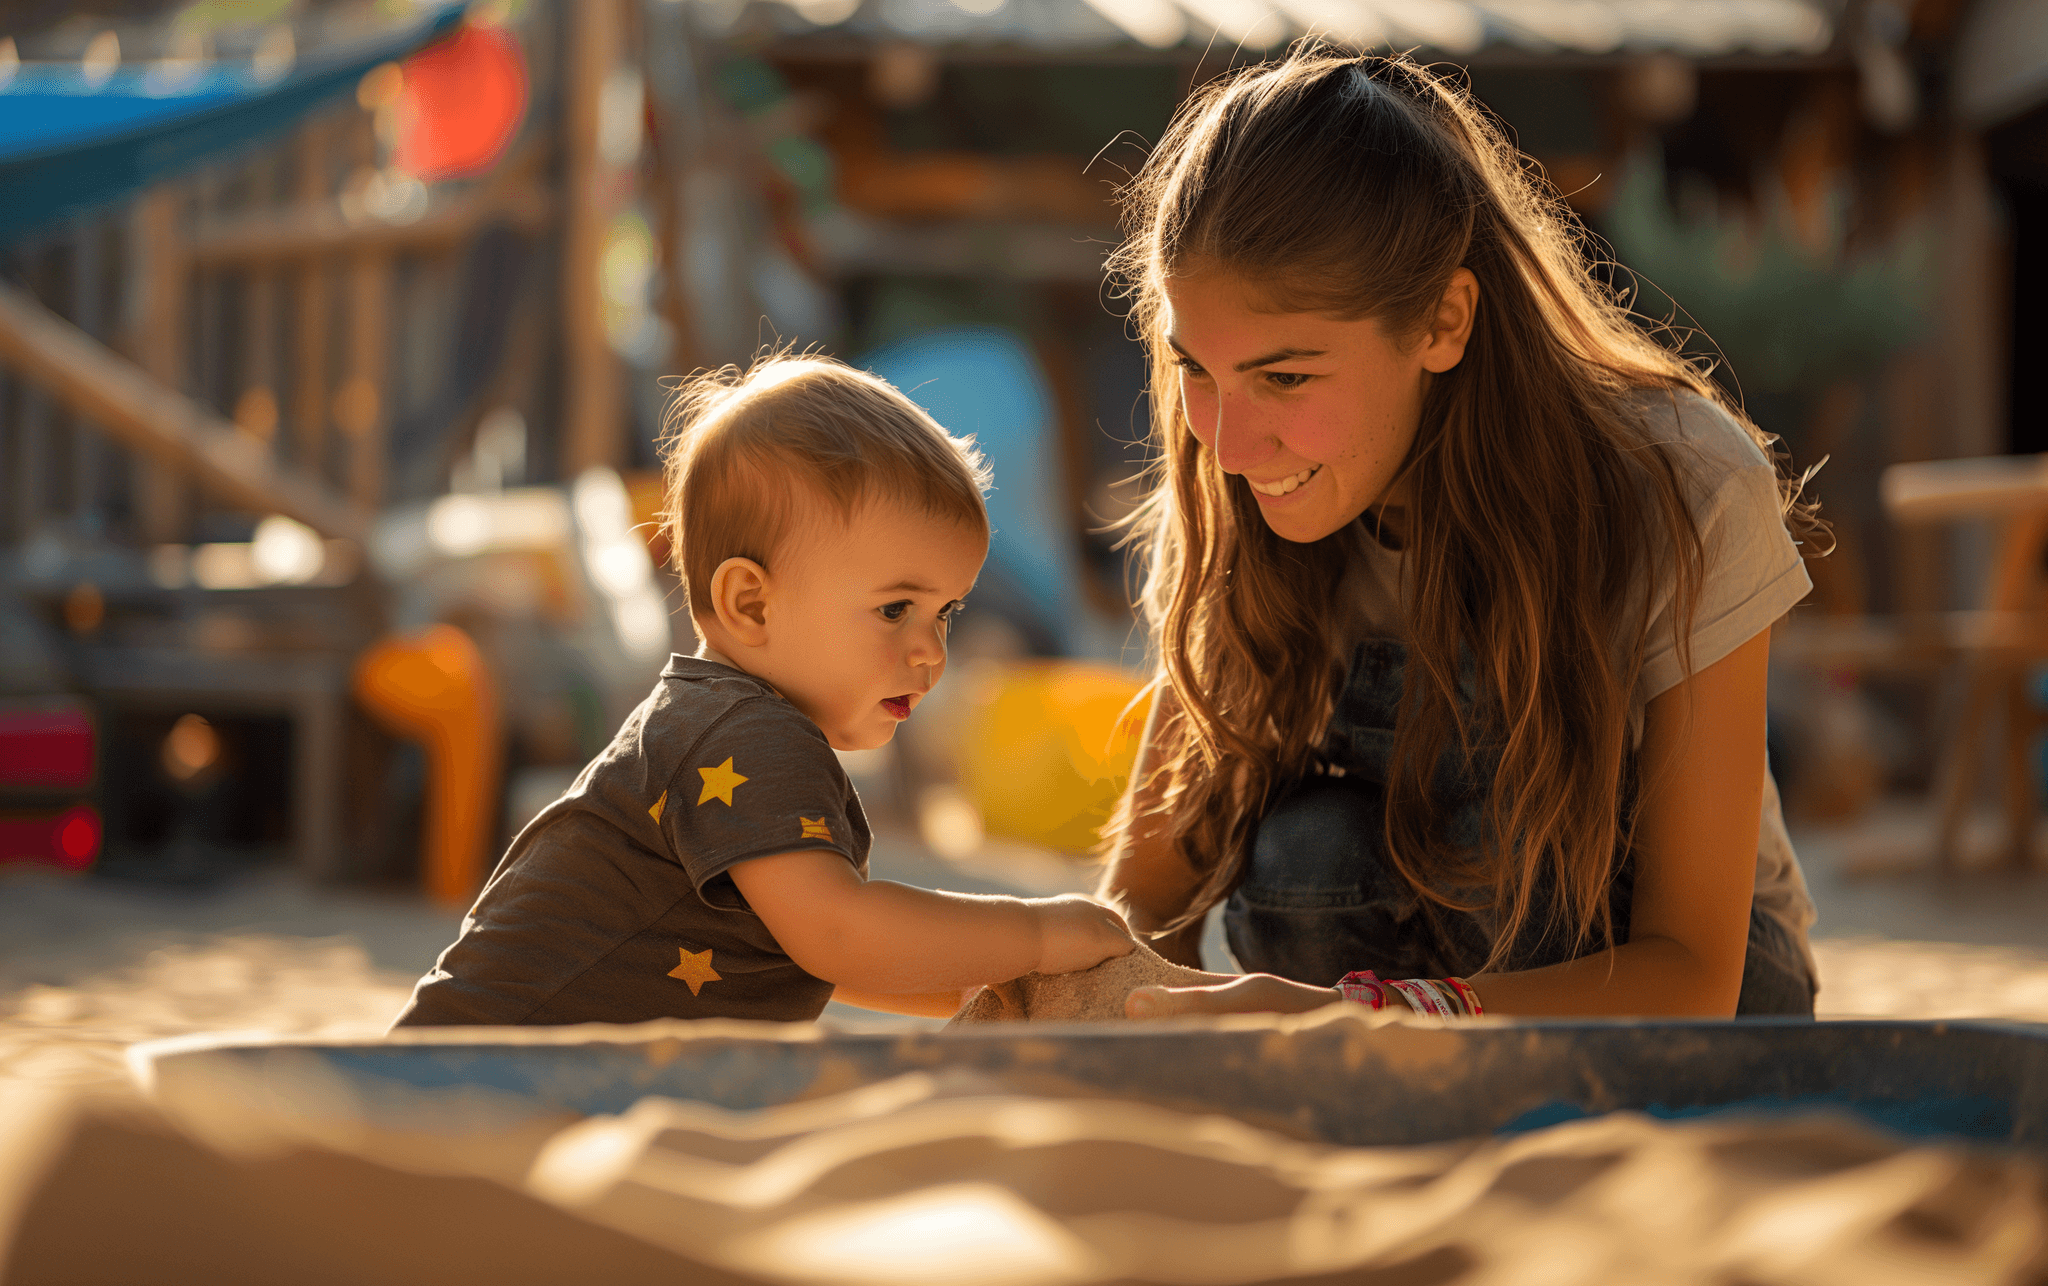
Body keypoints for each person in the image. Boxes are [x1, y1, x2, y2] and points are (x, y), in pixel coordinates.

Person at [1096, 50, 1828, 1022]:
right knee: (1303, 857)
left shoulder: (1680, 482)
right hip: (1394, 1001)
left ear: (1441, 321)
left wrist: (1355, 1021)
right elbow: (1142, 901)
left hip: (1695, 1005)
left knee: (1502, 832)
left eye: (1283, 377)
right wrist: (1092, 987)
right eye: (1196, 368)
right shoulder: (1241, 492)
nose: (1228, 444)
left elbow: (1693, 973)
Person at [393, 356, 1132, 1028]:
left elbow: (803, 958)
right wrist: (1033, 936)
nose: (931, 651)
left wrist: (984, 986)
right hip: (475, 1080)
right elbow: (841, 935)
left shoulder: (726, 717)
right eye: (894, 610)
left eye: (945, 613)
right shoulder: (744, 733)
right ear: (750, 605)